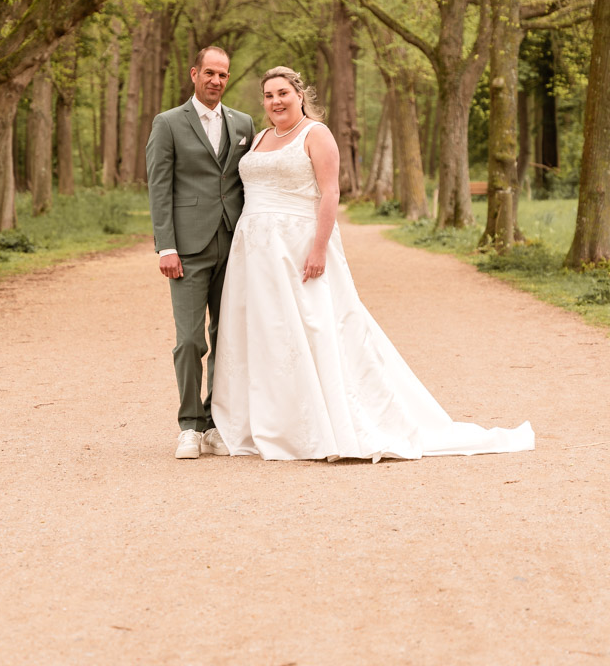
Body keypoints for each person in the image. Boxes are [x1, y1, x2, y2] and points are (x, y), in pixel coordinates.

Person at [211, 66, 535, 462]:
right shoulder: (259, 138)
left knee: (312, 327)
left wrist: (318, 249)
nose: (275, 101)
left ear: (299, 94)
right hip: (255, 254)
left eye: (283, 93)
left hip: (296, 247)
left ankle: (319, 424)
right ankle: (264, 419)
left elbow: (330, 194)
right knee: (264, 331)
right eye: (268, 96)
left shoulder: (317, 134)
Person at [146, 46, 255, 460]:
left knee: (226, 337)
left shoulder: (243, 123)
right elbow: (159, 186)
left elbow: (248, 182)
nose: (216, 81)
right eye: (209, 72)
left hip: (234, 244)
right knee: (190, 340)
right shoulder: (169, 123)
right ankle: (189, 425)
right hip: (187, 249)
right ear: (194, 73)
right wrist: (166, 246)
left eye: (223, 75)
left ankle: (215, 423)